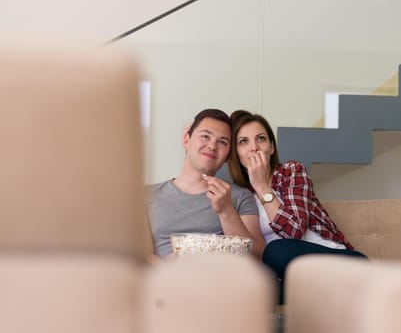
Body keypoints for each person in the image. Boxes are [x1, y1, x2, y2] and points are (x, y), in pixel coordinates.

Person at [228, 110, 367, 300]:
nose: (254, 147)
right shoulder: (241, 196)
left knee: (275, 250)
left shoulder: (291, 171)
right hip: (290, 277)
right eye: (243, 142)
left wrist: (261, 186)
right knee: (253, 285)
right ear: (236, 153)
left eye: (261, 139)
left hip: (341, 262)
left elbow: (294, 231)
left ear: (272, 147)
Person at [146, 109, 265, 262]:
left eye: (222, 142)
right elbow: (140, 254)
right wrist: (168, 270)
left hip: (219, 281)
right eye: (205, 136)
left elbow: (257, 256)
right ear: (186, 140)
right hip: (162, 280)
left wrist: (226, 210)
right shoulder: (147, 194)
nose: (212, 146)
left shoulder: (240, 197)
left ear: (228, 156)